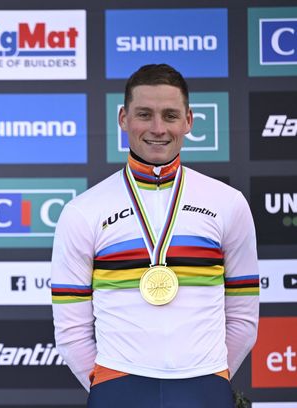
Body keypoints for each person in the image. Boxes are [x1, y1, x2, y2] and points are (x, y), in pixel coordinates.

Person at [50, 64, 259, 407]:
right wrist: (107, 384)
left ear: (188, 121)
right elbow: (71, 330)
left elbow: (243, 318)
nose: (158, 128)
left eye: (170, 115)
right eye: (144, 114)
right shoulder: (83, 210)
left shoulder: (227, 203)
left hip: (205, 384)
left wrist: (213, 375)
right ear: (123, 118)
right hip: (118, 385)